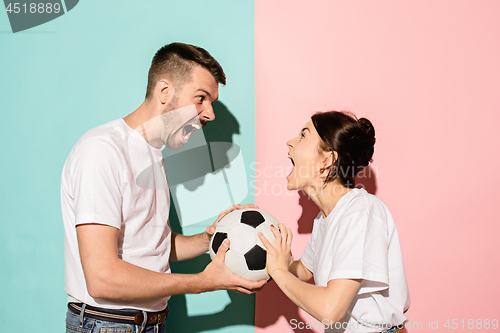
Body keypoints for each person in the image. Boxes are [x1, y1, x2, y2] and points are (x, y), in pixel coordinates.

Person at [61, 42, 266, 333]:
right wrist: (202, 283)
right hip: (107, 325)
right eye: (200, 98)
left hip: (151, 324)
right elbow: (102, 276)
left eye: (212, 103)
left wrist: (214, 237)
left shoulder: (153, 155)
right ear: (165, 92)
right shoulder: (102, 151)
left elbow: (153, 247)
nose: (209, 114)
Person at [258, 111, 410, 333]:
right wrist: (263, 247)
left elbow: (330, 310)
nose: (290, 142)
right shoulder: (325, 218)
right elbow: (304, 270)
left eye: (303, 135)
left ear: (326, 159)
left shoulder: (361, 211)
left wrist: (279, 272)